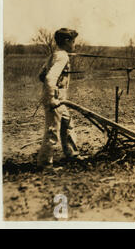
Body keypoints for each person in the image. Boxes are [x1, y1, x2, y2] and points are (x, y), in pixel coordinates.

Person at [37, 28, 82, 169]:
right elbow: (50, 77)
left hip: (59, 98)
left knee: (67, 124)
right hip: (55, 99)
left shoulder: (54, 55)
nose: (74, 45)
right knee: (52, 130)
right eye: (73, 42)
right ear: (67, 41)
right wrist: (52, 97)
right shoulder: (63, 56)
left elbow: (41, 75)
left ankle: (72, 154)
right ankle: (45, 163)